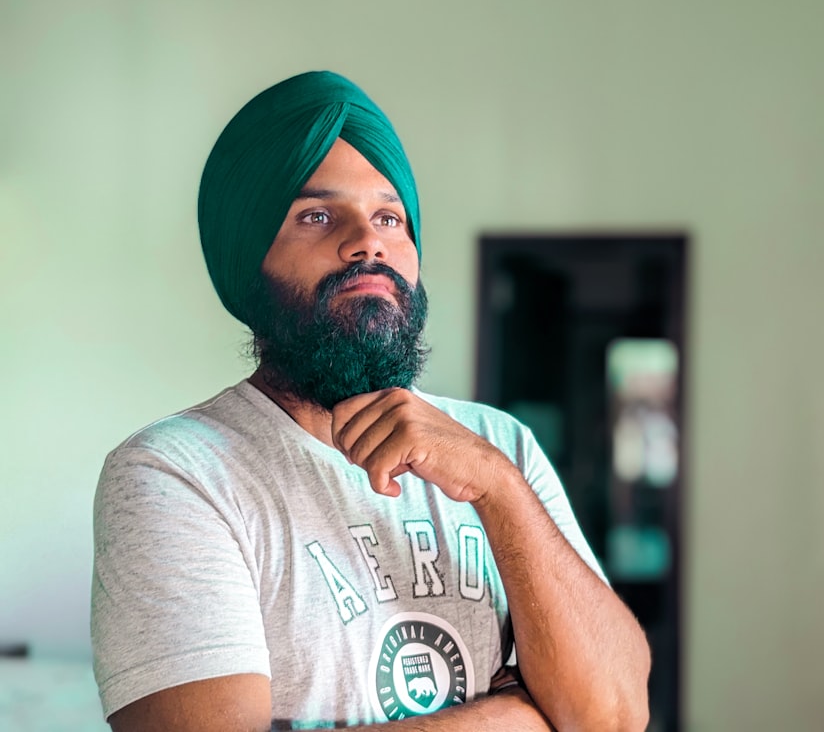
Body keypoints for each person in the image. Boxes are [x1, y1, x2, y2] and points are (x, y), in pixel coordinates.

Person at [90, 71, 651, 731]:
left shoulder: (500, 446)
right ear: (250, 263)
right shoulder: (177, 474)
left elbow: (612, 717)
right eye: (317, 216)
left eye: (390, 216)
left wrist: (498, 488)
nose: (368, 242)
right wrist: (519, 718)